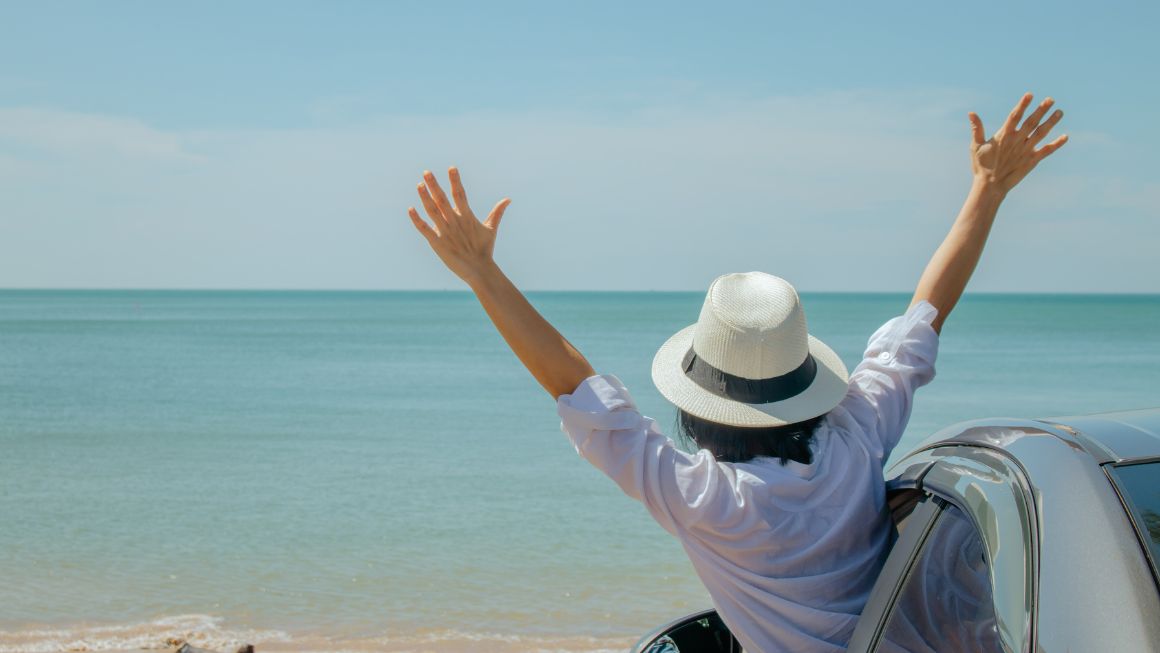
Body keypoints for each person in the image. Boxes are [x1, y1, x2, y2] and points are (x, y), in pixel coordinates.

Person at [405, 92, 1067, 652]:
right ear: (804, 379)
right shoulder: (859, 431)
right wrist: (988, 188)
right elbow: (926, 312)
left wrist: (481, 274)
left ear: (697, 405)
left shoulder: (710, 501)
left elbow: (575, 385)